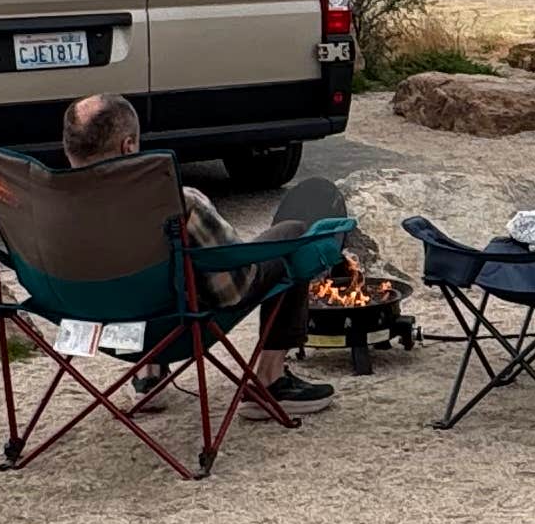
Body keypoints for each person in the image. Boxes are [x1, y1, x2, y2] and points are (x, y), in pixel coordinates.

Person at [57, 95, 332, 405]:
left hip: (92, 324)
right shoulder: (177, 203)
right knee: (292, 234)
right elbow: (232, 289)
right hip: (173, 328)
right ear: (128, 146)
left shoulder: (49, 211)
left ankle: (149, 373)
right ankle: (270, 379)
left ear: (69, 149)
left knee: (144, 282)